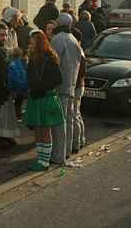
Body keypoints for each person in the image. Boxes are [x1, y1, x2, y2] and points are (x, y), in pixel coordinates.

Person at [24, 29, 64, 171]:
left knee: (44, 129)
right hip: (36, 96)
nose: (30, 43)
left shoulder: (49, 58)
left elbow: (58, 79)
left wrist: (41, 88)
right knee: (38, 128)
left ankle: (44, 161)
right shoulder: (34, 57)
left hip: (45, 97)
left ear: (38, 42)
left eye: (33, 41)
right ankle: (41, 158)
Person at [50, 13, 84, 165]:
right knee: (69, 119)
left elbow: (53, 62)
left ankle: (58, 154)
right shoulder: (74, 40)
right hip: (71, 84)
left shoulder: (58, 39)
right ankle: (68, 150)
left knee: (59, 122)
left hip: (60, 86)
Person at [7, 47, 29, 119]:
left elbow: (10, 76)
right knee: (19, 101)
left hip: (14, 87)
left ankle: (16, 113)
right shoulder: (23, 63)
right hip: (23, 86)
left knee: (16, 102)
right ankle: (18, 113)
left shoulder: (11, 64)